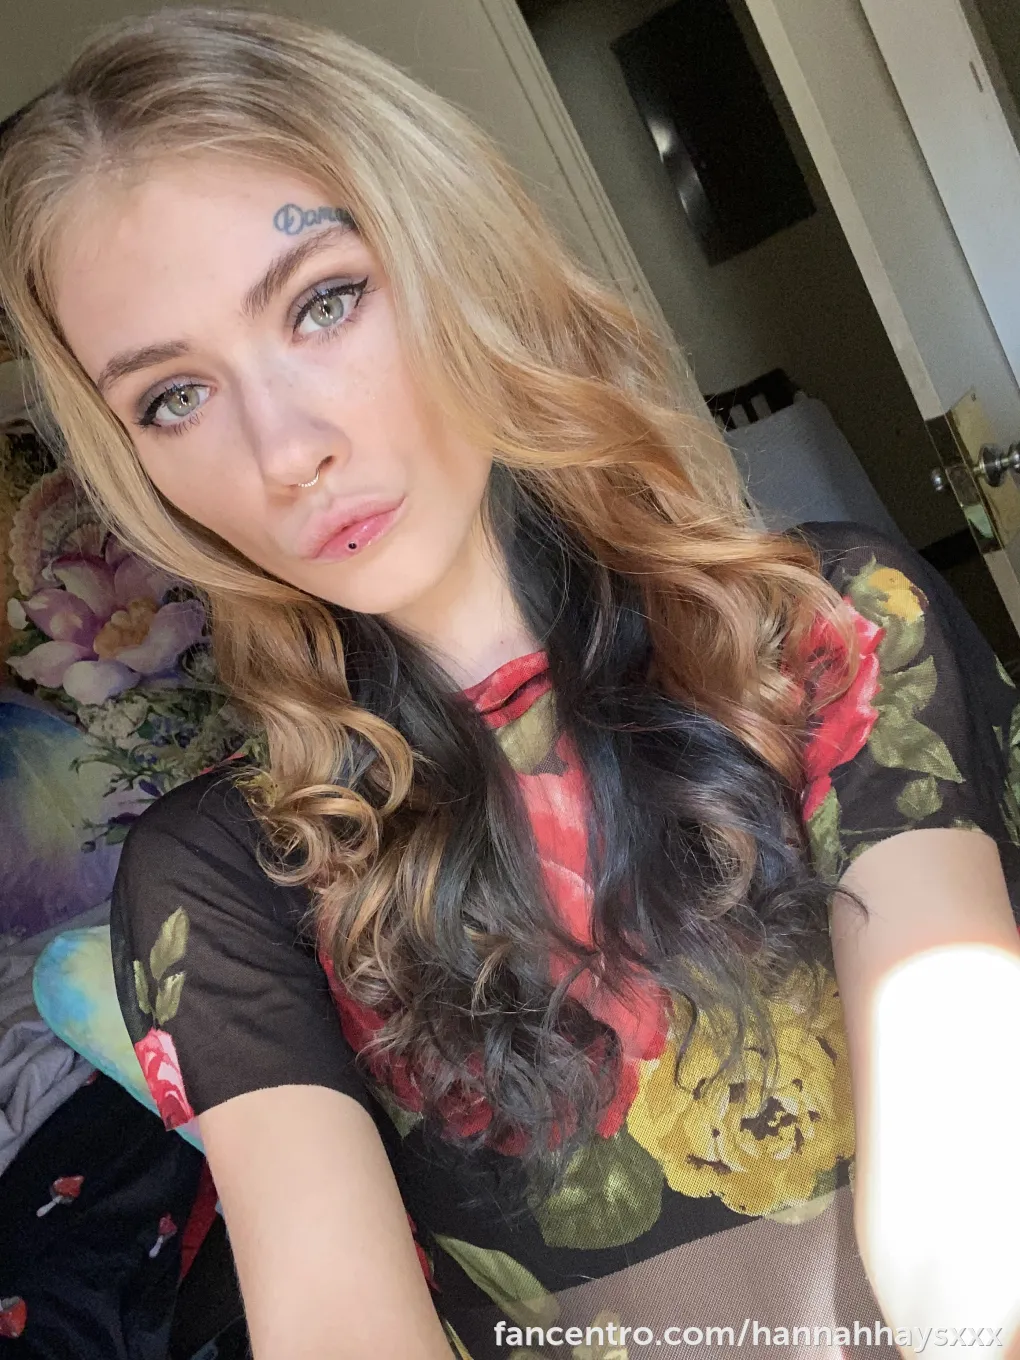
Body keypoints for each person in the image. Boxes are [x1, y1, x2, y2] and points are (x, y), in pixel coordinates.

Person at [2, 9, 1020, 1358]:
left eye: (324, 302)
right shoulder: (222, 876)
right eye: (172, 398)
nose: (285, 451)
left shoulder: (823, 632)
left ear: (453, 253)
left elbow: (973, 1244)